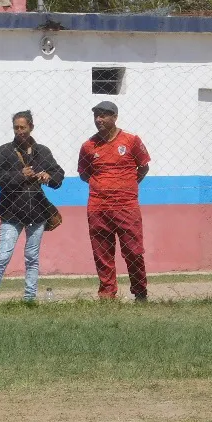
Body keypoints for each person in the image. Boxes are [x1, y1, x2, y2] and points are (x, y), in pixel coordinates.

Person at [0, 110, 65, 303]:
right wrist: (20, 175)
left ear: (31, 127)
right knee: (3, 256)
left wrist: (48, 177)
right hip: (11, 212)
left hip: (37, 212)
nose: (19, 131)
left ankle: (29, 298)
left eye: (23, 127)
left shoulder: (42, 152)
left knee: (32, 257)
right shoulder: (5, 151)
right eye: (16, 128)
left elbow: (58, 175)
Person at [78, 100, 151, 301]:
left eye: (103, 115)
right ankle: (107, 294)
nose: (99, 120)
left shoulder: (131, 140)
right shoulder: (88, 146)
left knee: (133, 251)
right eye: (96, 116)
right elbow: (84, 174)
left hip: (126, 206)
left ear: (115, 117)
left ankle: (140, 292)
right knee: (102, 252)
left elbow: (143, 167)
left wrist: (126, 186)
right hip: (98, 207)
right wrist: (102, 185)